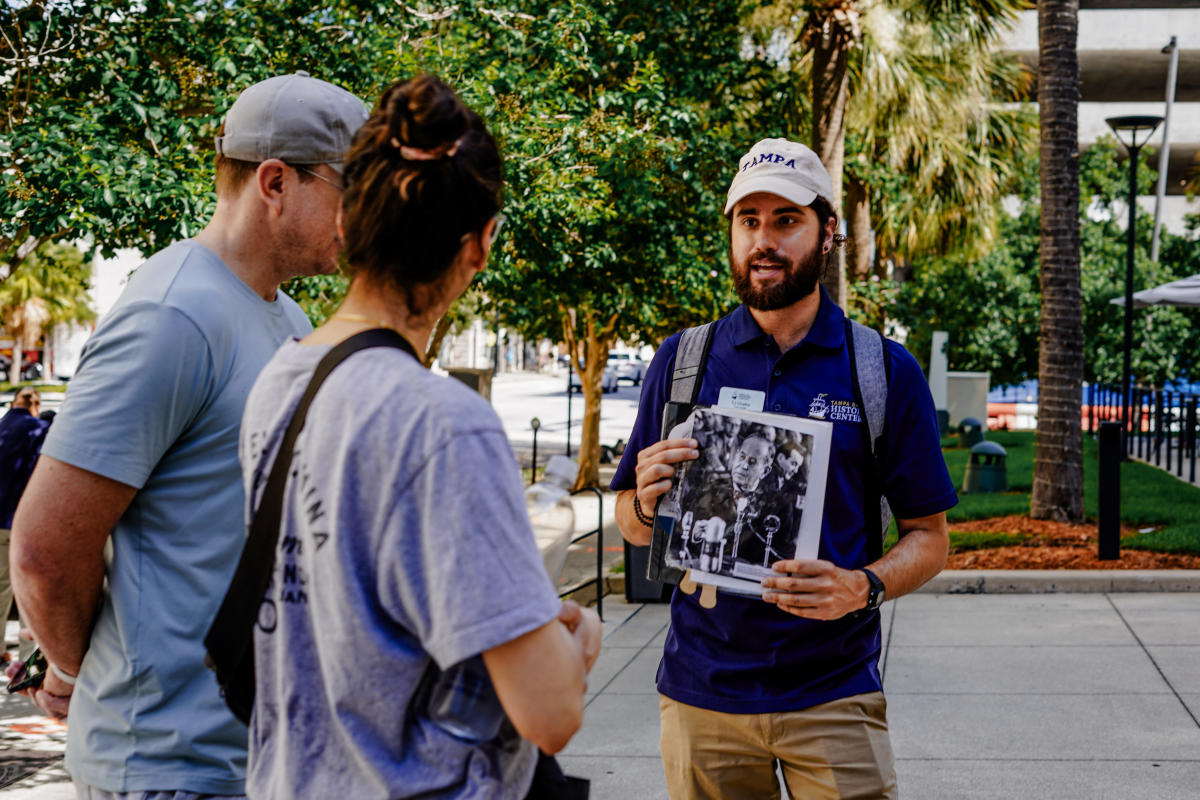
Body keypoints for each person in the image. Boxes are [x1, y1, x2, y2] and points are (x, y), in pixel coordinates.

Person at [238, 73, 601, 799]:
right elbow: (550, 714)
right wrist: (574, 643)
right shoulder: (443, 424)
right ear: (480, 246)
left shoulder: (281, 380)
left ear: (348, 222)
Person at [9, 72, 368, 797]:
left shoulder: (286, 317)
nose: (365, 218)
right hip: (169, 768)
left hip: (261, 759)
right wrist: (77, 673)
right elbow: (46, 549)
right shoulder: (173, 315)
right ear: (275, 181)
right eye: (351, 190)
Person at [612, 137, 956, 799]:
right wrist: (646, 505)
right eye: (749, 221)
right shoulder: (683, 361)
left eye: (786, 220)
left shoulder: (882, 371)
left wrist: (864, 587)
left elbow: (930, 536)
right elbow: (629, 521)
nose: (764, 240)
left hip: (833, 696)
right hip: (700, 698)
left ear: (828, 232)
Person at [0, 389, 48, 658]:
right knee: (30, 590)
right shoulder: (40, 429)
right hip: (25, 521)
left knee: (1, 587)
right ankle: (29, 657)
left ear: (12, 403)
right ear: (36, 406)